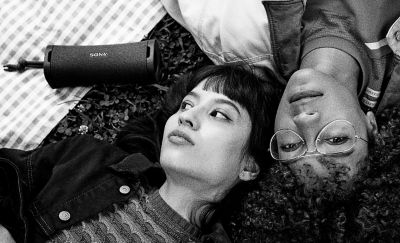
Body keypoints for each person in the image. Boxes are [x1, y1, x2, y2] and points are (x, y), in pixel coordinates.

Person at [0, 64, 280, 243]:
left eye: (219, 113)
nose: (187, 117)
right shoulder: (85, 159)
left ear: (249, 166)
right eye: (186, 105)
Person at [268, 0, 400, 199]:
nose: (305, 119)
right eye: (337, 140)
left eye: (290, 146)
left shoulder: (241, 42)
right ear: (371, 125)